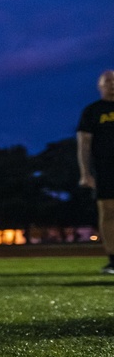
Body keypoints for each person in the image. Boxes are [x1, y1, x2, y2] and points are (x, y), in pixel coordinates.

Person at [77, 69, 114, 274]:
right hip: (104, 168)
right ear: (100, 85)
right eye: (108, 81)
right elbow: (83, 143)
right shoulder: (92, 111)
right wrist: (85, 173)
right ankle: (113, 260)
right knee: (108, 211)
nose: (112, 84)